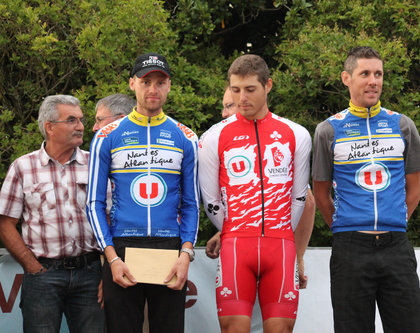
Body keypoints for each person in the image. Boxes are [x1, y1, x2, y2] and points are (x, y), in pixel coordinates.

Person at [312, 46, 420, 333]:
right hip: (350, 249)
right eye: (364, 73)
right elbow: (321, 194)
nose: (373, 81)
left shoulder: (402, 125)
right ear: (346, 78)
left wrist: (395, 222)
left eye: (378, 74)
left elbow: (414, 190)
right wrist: (346, 228)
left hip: (396, 247)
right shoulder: (328, 130)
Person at [86, 53, 199, 333]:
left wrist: (186, 254)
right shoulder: (106, 136)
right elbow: (94, 203)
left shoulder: (186, 137)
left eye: (160, 82)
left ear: (169, 86)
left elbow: (191, 203)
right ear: (132, 83)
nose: (153, 89)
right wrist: (111, 256)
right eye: (146, 81)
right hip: (123, 248)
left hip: (169, 248)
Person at [198, 54, 312, 333]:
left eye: (250, 89)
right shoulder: (213, 136)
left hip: (281, 243)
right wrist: (232, 229)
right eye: (235, 90)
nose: (242, 98)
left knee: (281, 329)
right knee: (233, 329)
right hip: (236, 243)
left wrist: (282, 232)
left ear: (268, 85)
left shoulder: (296, 134)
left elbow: (299, 196)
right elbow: (210, 200)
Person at [0, 95, 104, 333]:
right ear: (49, 127)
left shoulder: (96, 164)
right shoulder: (23, 167)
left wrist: (107, 271)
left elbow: (111, 219)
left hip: (90, 272)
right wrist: (32, 266)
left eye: (80, 119)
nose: (80, 126)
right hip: (43, 275)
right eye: (71, 120)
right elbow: (5, 223)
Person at [205, 87, 316, 289]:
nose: (223, 113)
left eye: (229, 106)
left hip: (275, 256)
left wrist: (296, 257)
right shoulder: (219, 140)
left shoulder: (277, 141)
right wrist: (224, 233)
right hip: (242, 255)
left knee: (276, 320)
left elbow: (307, 202)